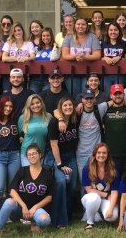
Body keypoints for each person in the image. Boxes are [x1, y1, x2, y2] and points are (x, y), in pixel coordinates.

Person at [0, 144, 52, 238]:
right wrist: (23, 206)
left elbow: (49, 197)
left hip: (35, 210)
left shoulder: (47, 173)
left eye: (34, 153)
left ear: (40, 155)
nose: (31, 156)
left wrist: (35, 207)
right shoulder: (23, 171)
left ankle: (34, 223)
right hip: (20, 209)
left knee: (45, 220)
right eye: (29, 155)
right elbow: (12, 190)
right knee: (8, 202)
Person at [47, 97, 79, 228]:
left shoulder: (74, 119)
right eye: (65, 105)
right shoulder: (54, 122)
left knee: (72, 185)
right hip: (55, 157)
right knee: (60, 183)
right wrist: (60, 165)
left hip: (70, 156)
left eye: (70, 105)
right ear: (60, 108)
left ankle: (67, 215)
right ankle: (58, 220)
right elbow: (54, 145)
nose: (68, 107)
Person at [0, 96, 21, 218]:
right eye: (5, 106)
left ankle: (11, 214)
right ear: (0, 106)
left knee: (13, 187)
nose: (8, 108)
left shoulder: (16, 120)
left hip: (14, 155)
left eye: (10, 106)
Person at [81, 143, 120, 230]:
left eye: (104, 153)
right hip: (90, 198)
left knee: (112, 216)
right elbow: (88, 189)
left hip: (105, 200)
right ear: (94, 154)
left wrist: (111, 208)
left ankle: (98, 213)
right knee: (95, 197)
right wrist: (105, 195)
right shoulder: (87, 169)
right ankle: (90, 222)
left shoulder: (113, 170)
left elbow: (114, 192)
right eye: (99, 152)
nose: (101, 155)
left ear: (108, 155)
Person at [61, 18, 101, 96]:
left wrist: (84, 57)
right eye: (78, 24)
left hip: (89, 71)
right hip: (71, 72)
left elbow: (97, 55)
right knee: (73, 94)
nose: (80, 26)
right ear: (74, 26)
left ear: (86, 26)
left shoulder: (93, 37)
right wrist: (76, 56)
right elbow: (65, 55)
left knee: (86, 95)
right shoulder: (68, 37)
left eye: (83, 24)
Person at [104, 84, 126, 174]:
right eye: (115, 94)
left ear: (124, 94)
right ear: (111, 95)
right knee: (113, 180)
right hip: (111, 153)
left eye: (120, 93)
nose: (117, 96)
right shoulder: (105, 110)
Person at [18, 94, 51, 166]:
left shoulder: (48, 116)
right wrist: (21, 137)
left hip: (41, 154)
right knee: (28, 176)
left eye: (37, 102)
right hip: (27, 154)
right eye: (32, 104)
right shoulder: (23, 118)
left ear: (41, 103)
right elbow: (18, 133)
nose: (35, 105)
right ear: (29, 106)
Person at [32, 27, 61, 93]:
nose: (46, 37)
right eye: (43, 36)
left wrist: (54, 47)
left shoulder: (56, 48)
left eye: (48, 35)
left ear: (51, 36)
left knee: (46, 98)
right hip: (35, 78)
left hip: (49, 78)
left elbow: (53, 58)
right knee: (34, 97)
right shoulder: (37, 49)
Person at [101, 22, 126, 91]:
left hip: (120, 74)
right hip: (106, 74)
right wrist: (105, 58)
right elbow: (98, 57)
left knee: (118, 94)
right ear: (107, 31)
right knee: (107, 95)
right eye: (111, 30)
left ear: (119, 31)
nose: (113, 32)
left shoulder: (125, 43)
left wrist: (120, 58)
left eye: (115, 30)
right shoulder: (102, 43)